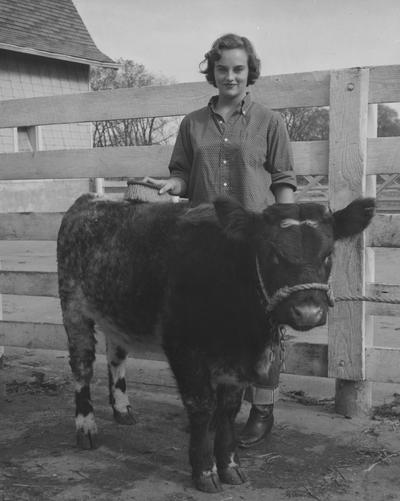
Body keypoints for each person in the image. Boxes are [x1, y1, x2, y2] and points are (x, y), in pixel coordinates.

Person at [144, 33, 297, 448]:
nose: (230, 76)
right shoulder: (192, 124)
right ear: (211, 71)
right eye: (223, 68)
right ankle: (214, 410)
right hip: (206, 242)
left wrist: (282, 228)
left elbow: (283, 180)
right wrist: (170, 184)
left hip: (255, 243)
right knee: (210, 329)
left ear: (251, 72)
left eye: (238, 68)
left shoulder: (270, 121)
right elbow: (181, 174)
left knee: (263, 328)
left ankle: (262, 408)